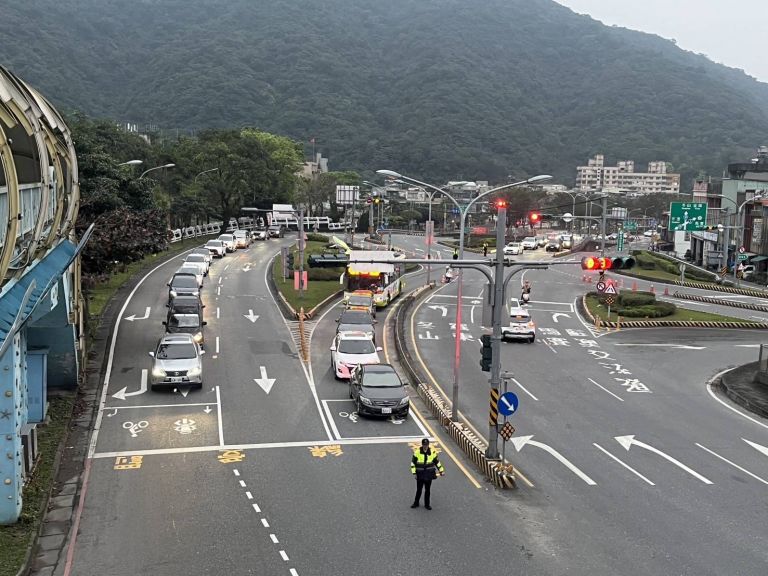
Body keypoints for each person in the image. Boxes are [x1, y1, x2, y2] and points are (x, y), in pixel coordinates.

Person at [410, 438, 445, 510]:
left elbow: (437, 462)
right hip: (420, 474)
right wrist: (414, 473)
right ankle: (416, 503)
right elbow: (413, 463)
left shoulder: (432, 452)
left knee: (427, 490)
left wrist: (441, 471)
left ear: (428, 445)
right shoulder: (417, 452)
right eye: (424, 445)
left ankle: (427, 504)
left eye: (426, 445)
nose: (425, 446)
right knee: (419, 489)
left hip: (429, 474)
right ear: (422, 445)